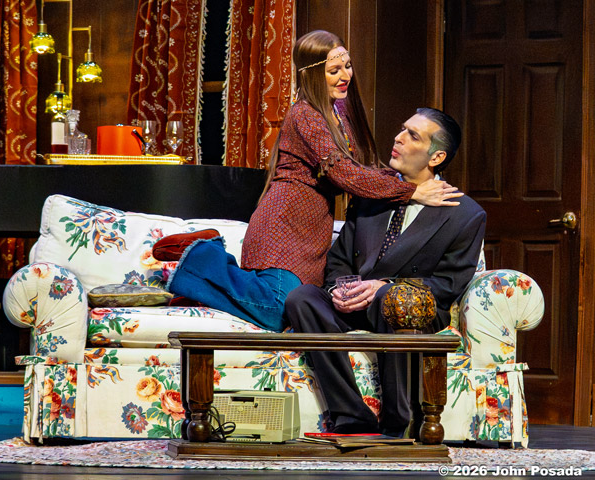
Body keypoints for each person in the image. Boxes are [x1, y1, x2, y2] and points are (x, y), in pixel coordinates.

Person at [155, 31, 462, 332]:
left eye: (347, 66)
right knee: (279, 310)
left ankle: (201, 290)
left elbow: (359, 169)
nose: (345, 76)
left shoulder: (337, 112)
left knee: (294, 310)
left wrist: (404, 181)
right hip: (284, 226)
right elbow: (344, 174)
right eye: (334, 70)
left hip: (310, 233)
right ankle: (201, 256)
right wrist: (410, 190)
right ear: (312, 73)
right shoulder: (305, 115)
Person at [284, 107, 486, 436]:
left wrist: (384, 287)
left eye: (412, 135)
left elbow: (449, 284)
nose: (398, 138)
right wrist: (340, 290)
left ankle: (399, 425)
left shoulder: (465, 214)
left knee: (393, 299)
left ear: (436, 157)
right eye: (402, 129)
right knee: (302, 298)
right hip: (358, 304)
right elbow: (339, 259)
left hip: (411, 310)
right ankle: (352, 417)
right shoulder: (373, 195)